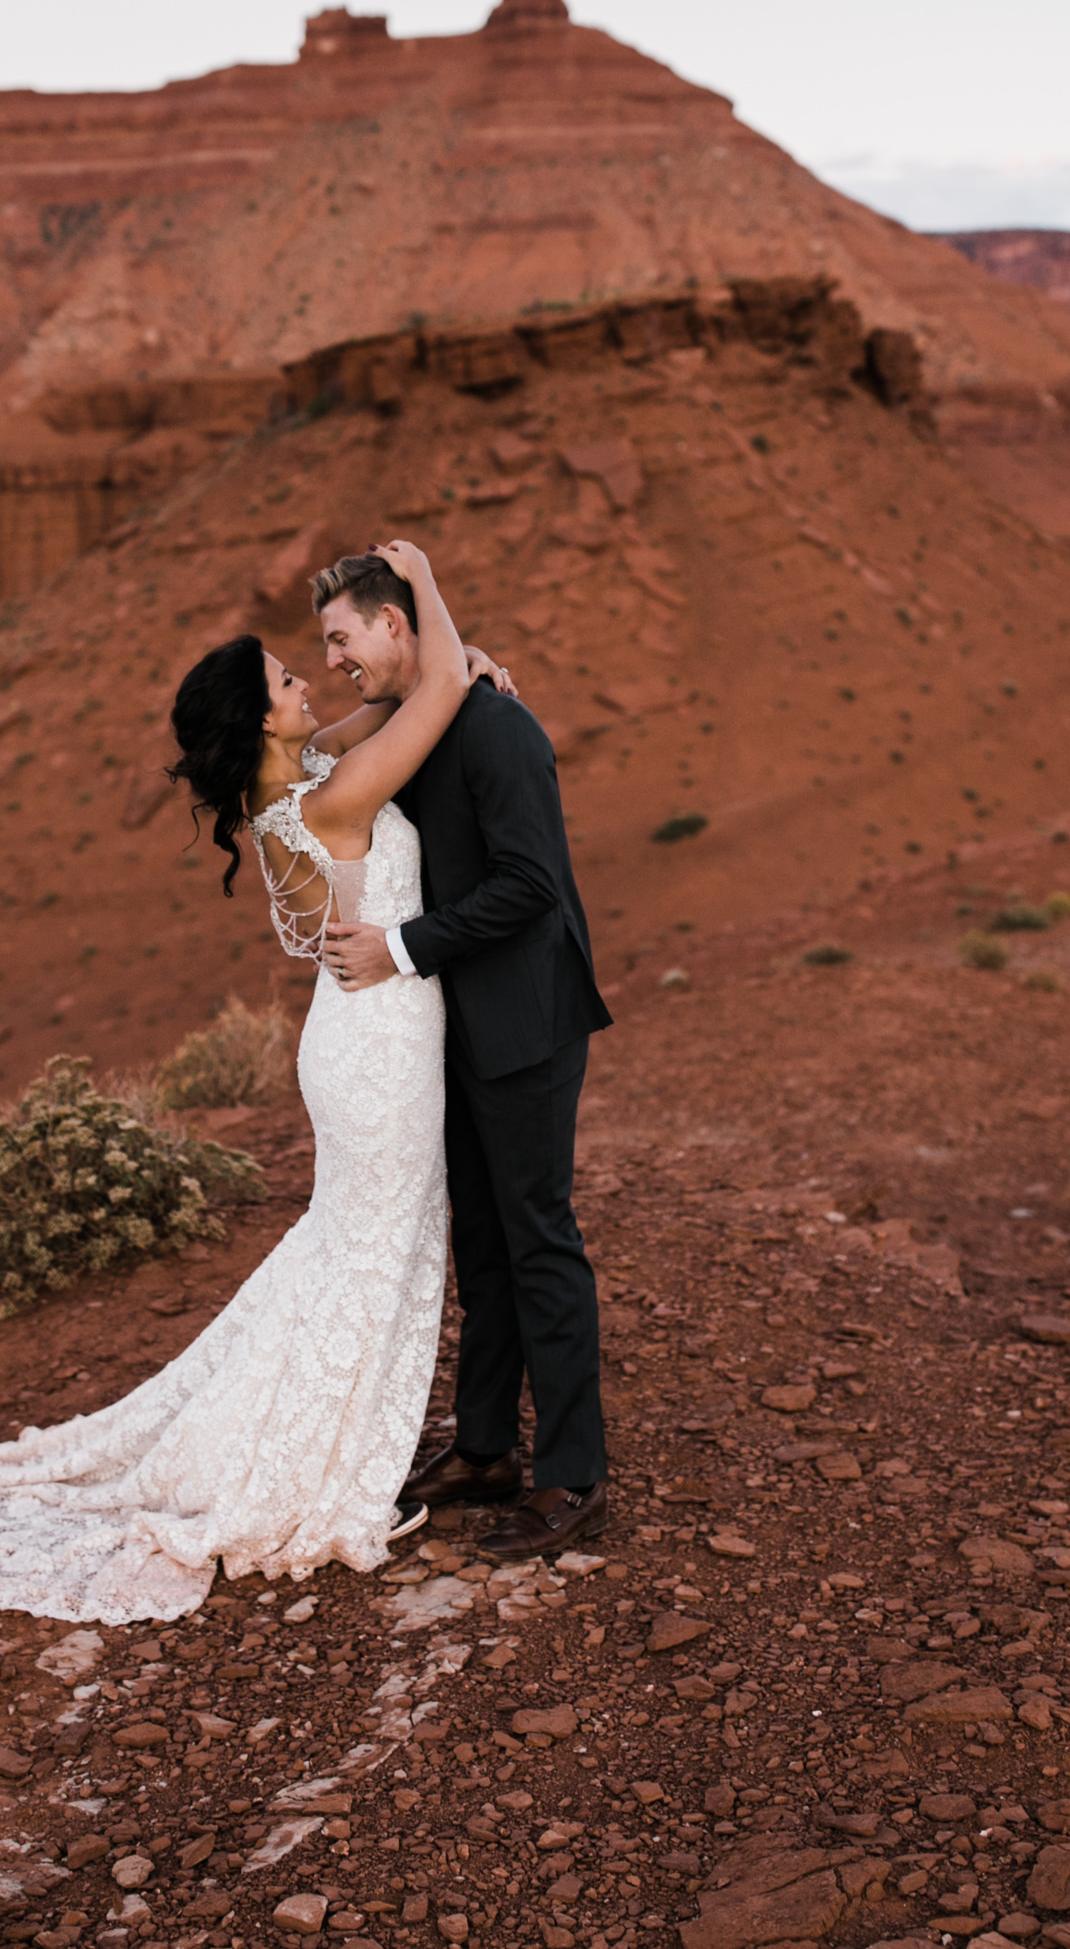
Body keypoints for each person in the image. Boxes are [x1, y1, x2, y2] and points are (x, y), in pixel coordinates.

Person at [0, 541, 499, 1625]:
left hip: (363, 1037)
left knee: (357, 1243)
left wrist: (450, 668)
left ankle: (327, 1428)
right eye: (284, 682)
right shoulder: (324, 805)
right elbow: (437, 689)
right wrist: (425, 586)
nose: (306, 683)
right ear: (263, 721)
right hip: (376, 1052)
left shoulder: (297, 789)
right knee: (370, 1245)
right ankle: (314, 1459)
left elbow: (383, 717)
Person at [312, 549, 611, 1562]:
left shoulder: (497, 725)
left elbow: (531, 885)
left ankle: (572, 1474)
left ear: (395, 625)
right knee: (480, 1245)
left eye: (341, 637)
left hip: (524, 1021)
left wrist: (395, 950)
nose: (332, 658)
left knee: (538, 1240)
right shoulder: (429, 716)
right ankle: (484, 1448)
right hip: (455, 1028)